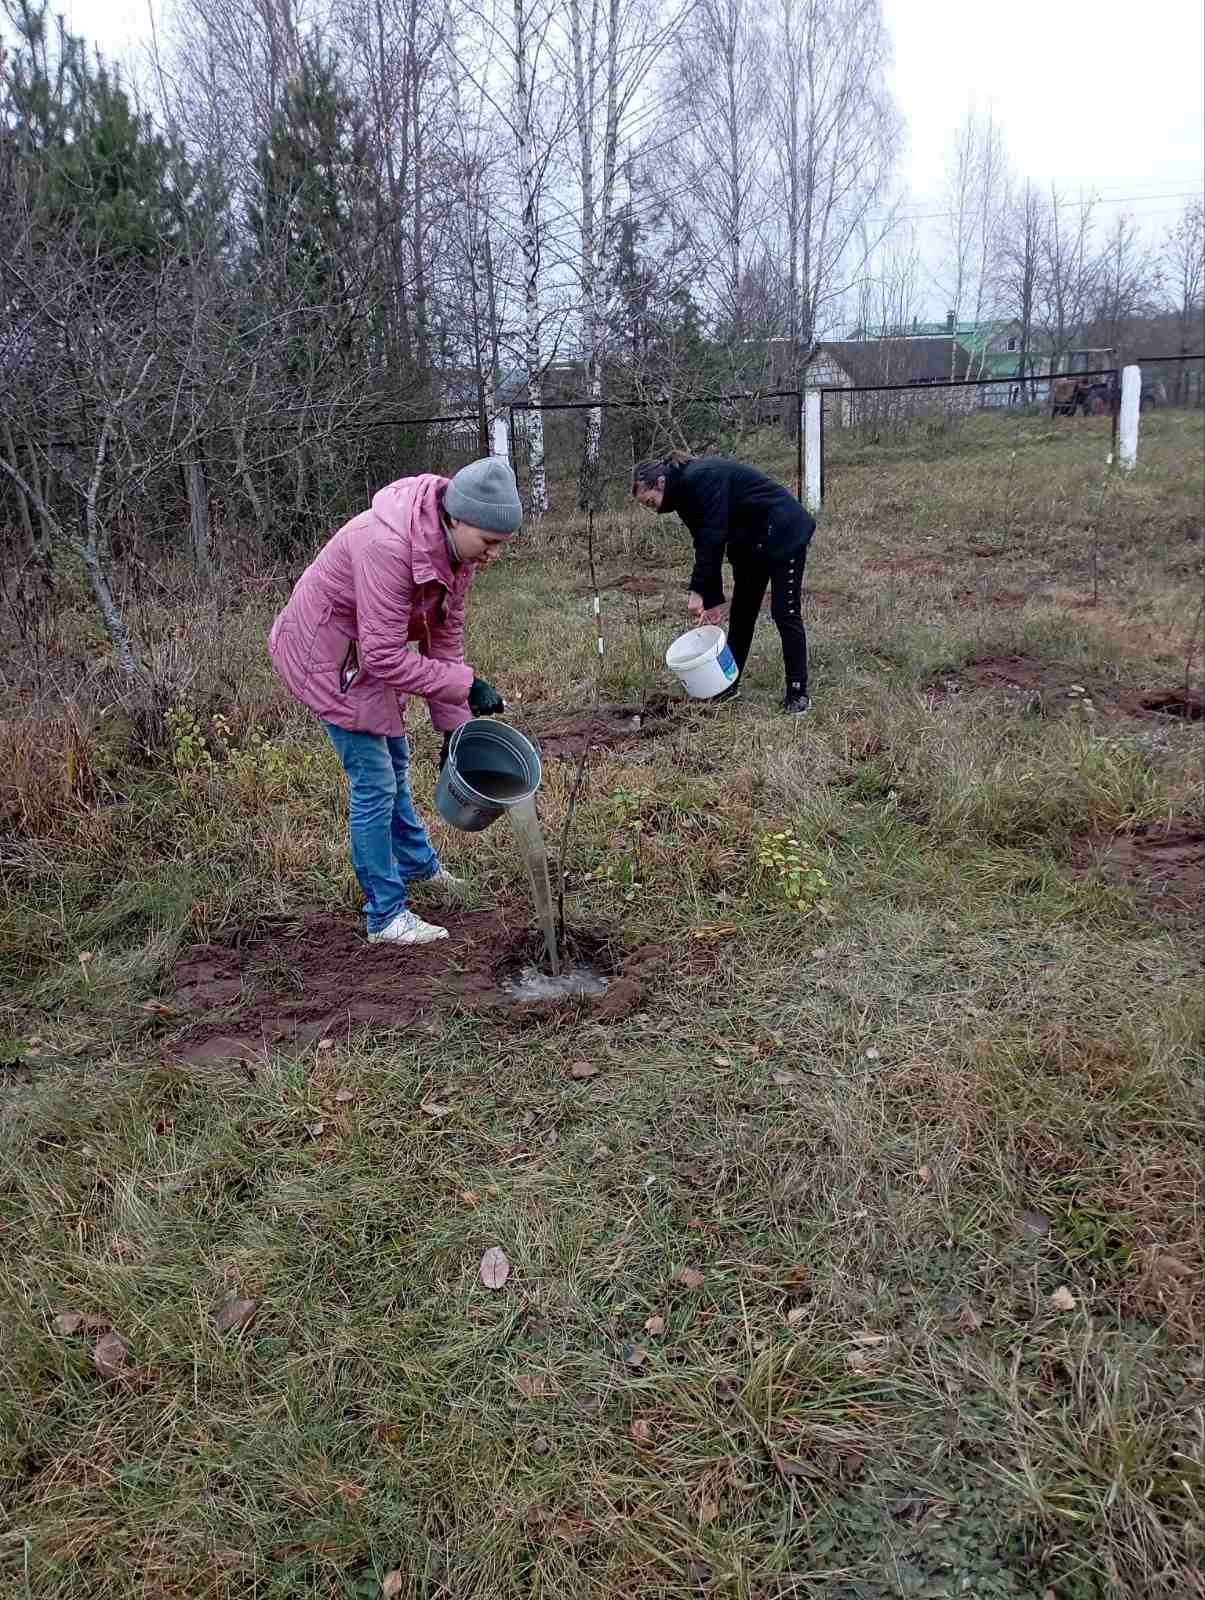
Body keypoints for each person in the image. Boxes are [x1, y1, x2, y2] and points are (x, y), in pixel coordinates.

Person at [269, 458, 521, 945]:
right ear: (456, 518)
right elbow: (385, 657)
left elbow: (443, 639)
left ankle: (418, 866)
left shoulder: (453, 553)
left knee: (396, 759)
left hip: (365, 649)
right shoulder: (388, 545)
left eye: (501, 546)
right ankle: (385, 916)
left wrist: (455, 728)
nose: (493, 555)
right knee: (376, 782)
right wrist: (466, 686)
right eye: (489, 542)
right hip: (327, 654)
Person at [633, 451, 815, 713]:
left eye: (649, 502)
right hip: (751, 542)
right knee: (742, 615)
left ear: (660, 482)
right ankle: (727, 685)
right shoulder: (683, 494)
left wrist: (697, 592)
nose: (651, 508)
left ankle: (798, 693)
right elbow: (703, 541)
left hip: (784, 531)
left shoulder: (700, 478)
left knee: (784, 612)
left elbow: (713, 538)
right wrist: (712, 598)